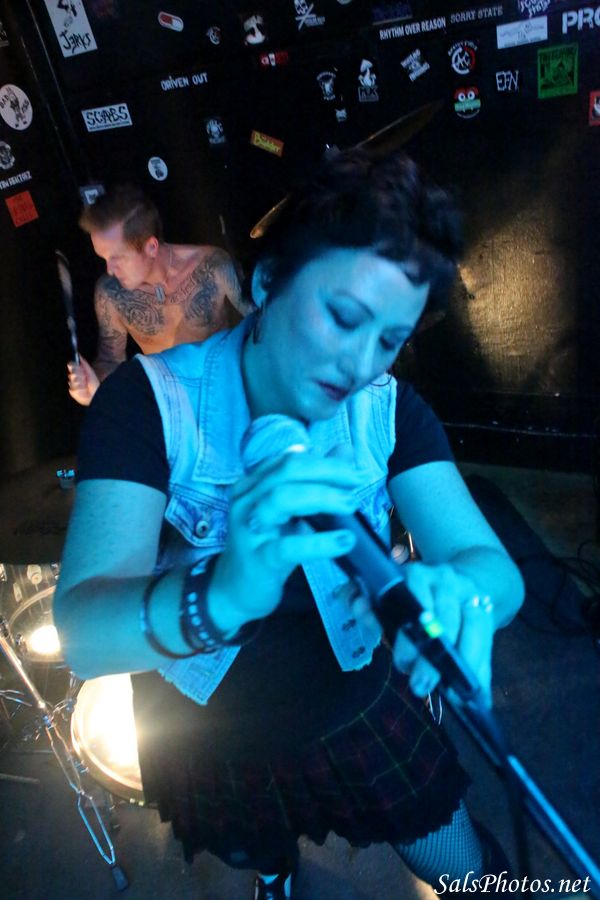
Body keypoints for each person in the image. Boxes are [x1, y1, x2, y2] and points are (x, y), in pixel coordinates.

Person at [54, 149, 524, 899]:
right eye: (343, 316)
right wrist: (224, 595)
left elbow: (493, 570)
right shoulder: (147, 403)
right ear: (268, 284)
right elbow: (83, 633)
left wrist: (461, 594)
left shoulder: (387, 409)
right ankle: (275, 876)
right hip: (208, 730)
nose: (362, 362)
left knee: (467, 870)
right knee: (257, 852)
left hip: (356, 699)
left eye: (389, 339)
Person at [67, 184, 251, 405]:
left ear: (151, 247)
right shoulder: (110, 293)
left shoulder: (213, 266)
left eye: (118, 258)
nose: (109, 270)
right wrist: (93, 385)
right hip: (171, 406)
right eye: (103, 258)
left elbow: (261, 320)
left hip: (226, 389)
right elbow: (111, 360)